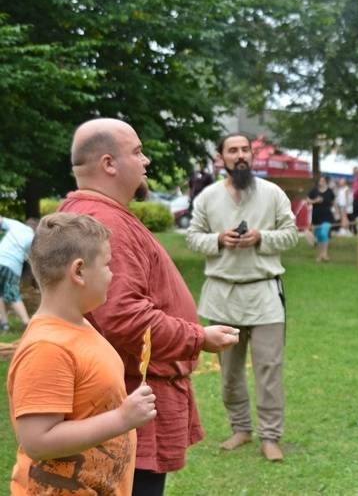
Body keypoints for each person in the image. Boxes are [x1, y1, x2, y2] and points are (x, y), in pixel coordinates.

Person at [59, 118, 240, 495]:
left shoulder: (102, 215)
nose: (146, 162)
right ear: (109, 164)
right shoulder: (105, 221)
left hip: (132, 395)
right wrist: (197, 337)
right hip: (126, 397)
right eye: (137, 152)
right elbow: (123, 317)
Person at [7, 212, 157, 495]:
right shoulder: (48, 347)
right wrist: (122, 419)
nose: (112, 274)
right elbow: (37, 441)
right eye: (107, 264)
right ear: (78, 271)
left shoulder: (80, 325)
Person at [186, 133, 299, 462]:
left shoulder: (273, 194)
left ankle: (270, 435)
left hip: (264, 292)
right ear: (220, 158)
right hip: (223, 295)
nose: (240, 156)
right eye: (232, 150)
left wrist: (261, 237)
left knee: (269, 368)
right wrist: (219, 240)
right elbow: (193, 238)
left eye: (245, 150)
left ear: (252, 155)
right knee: (230, 371)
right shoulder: (207, 197)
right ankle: (240, 428)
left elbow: (292, 234)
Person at [0, 216, 36, 331]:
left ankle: (4, 324)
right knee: (12, 294)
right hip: (12, 265)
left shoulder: (16, 225)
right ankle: (26, 321)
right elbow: (32, 260)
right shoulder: (34, 238)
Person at [307, 175, 335, 261]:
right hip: (316, 217)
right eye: (320, 181)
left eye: (323, 181)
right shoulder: (314, 191)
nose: (321, 182)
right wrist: (315, 200)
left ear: (326, 182)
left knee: (324, 233)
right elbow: (308, 200)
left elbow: (333, 202)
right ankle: (320, 255)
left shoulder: (330, 192)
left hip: (327, 216)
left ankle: (325, 254)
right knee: (319, 236)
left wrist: (336, 212)